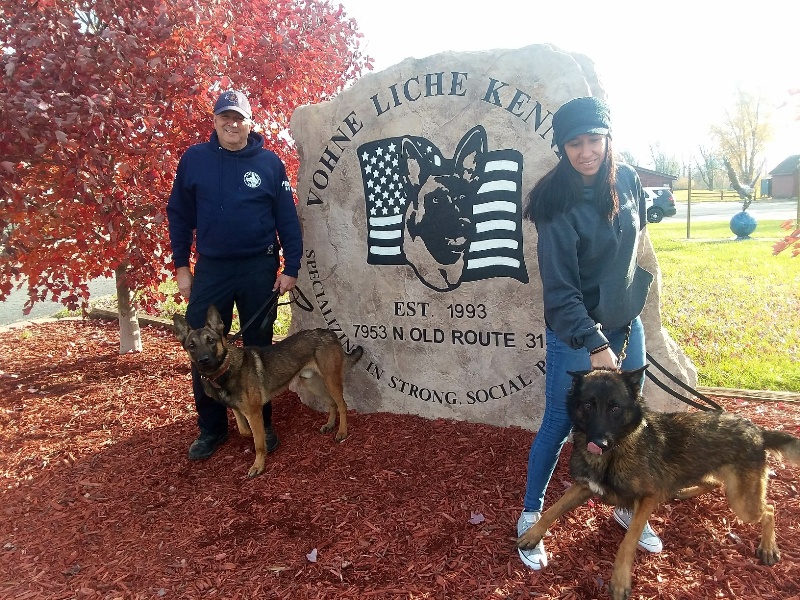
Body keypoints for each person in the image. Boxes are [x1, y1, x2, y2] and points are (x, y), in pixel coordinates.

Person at [517, 96, 662, 570]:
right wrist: (597, 344)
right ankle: (530, 514)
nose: (586, 152)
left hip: (624, 322)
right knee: (560, 425)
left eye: (594, 140)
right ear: (562, 147)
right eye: (574, 143)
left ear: (608, 139)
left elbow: (633, 243)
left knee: (628, 420)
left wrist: (625, 309)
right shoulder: (554, 206)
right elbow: (560, 293)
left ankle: (624, 502)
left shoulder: (627, 179)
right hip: (575, 333)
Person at [167, 89, 302, 462]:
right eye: (225, 117)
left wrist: (291, 266)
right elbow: (178, 214)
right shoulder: (195, 160)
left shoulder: (270, 164)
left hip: (259, 267)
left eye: (239, 117)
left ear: (250, 123)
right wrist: (181, 265)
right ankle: (212, 429)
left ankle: (263, 423)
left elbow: (286, 219)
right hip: (213, 269)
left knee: (258, 347)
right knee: (201, 348)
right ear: (214, 121)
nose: (232, 123)